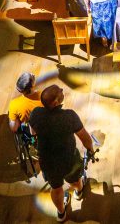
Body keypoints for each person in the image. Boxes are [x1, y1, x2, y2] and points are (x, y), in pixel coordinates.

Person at [28, 85, 95, 223]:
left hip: (48, 163)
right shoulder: (69, 116)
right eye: (60, 92)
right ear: (55, 102)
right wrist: (91, 150)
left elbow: (32, 133)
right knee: (75, 179)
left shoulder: (36, 113)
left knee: (56, 188)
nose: (62, 91)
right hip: (69, 159)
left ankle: (61, 213)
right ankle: (78, 193)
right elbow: (85, 138)